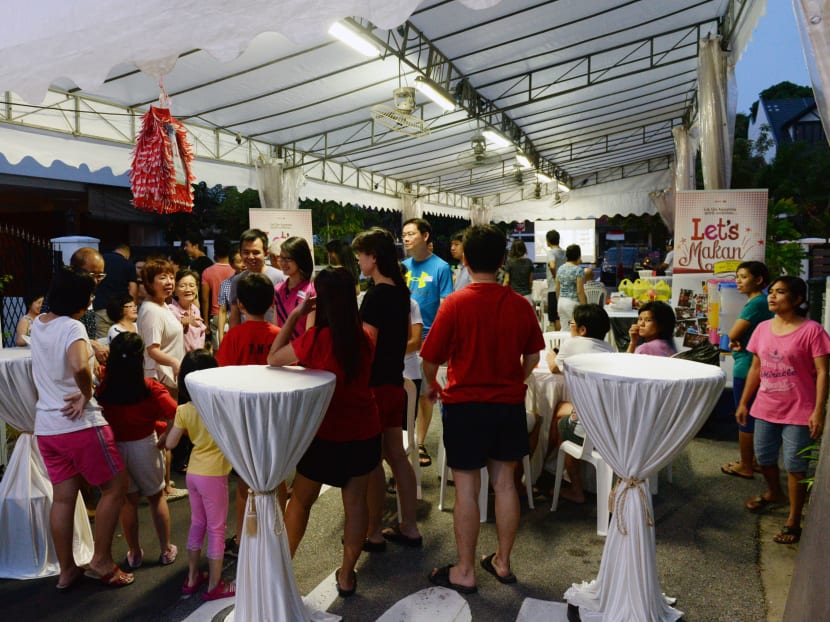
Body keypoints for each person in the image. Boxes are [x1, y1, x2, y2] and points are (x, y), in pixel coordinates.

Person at [421, 225, 544, 593]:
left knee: (467, 490)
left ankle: (465, 570)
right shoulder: (520, 304)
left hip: (464, 407)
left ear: (466, 260)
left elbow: (430, 359)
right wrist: (513, 380)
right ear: (504, 261)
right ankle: (502, 563)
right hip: (507, 406)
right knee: (506, 485)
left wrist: (432, 385)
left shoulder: (455, 304)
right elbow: (533, 356)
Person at [267, 267, 381, 598]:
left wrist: (297, 315)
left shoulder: (316, 339)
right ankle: (347, 576)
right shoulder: (364, 338)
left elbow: (274, 357)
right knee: (355, 504)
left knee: (300, 501)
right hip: (363, 431)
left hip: (324, 434)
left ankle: (282, 572)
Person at [31, 267, 133, 589]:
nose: (91, 300)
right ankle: (101, 560)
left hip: (47, 427)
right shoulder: (72, 326)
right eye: (89, 295)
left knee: (63, 499)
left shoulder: (38, 324)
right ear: (78, 297)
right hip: (79, 423)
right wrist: (87, 393)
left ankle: (67, 570)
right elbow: (78, 367)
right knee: (115, 488)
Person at [737, 276, 830, 545]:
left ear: (798, 299)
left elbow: (824, 372)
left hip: (800, 410)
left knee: (795, 465)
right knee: (764, 458)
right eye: (772, 292)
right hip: (766, 407)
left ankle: (793, 519)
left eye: (781, 293)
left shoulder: (812, 331)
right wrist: (744, 402)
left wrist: (818, 411)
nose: (772, 296)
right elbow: (756, 368)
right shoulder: (762, 328)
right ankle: (774, 493)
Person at [353, 227, 423, 552]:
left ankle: (373, 531)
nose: (358, 261)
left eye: (360, 255)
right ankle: (409, 525)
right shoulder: (401, 292)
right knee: (396, 454)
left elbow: (367, 346)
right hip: (395, 382)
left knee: (372, 460)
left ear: (374, 256)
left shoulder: (376, 295)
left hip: (375, 387)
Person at [95, 332, 178, 571]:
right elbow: (176, 414)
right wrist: (166, 438)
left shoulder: (104, 386)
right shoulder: (150, 387)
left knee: (127, 502)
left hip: (116, 448)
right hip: (145, 445)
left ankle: (134, 552)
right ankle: (165, 549)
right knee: (156, 497)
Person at [215, 272, 282, 558]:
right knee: (277, 475)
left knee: (246, 480)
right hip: (274, 418)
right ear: (271, 303)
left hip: (243, 419)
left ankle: (243, 539)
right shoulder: (279, 335)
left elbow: (223, 376)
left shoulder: (234, 336)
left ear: (240, 304)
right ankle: (279, 530)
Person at [166, 350, 236, 600]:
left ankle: (193, 577)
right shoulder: (221, 405)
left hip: (193, 473)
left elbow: (171, 443)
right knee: (217, 529)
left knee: (198, 524)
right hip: (214, 475)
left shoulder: (185, 409)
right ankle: (215, 586)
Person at [545, 304, 615, 502]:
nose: (570, 328)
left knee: (560, 423)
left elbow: (553, 369)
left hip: (587, 427)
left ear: (582, 330)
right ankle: (550, 463)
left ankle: (572, 485)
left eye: (572, 324)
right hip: (608, 423)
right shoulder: (610, 350)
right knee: (560, 408)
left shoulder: (573, 343)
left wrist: (552, 355)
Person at [402, 217, 453, 468]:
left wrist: (437, 341)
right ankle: (406, 440)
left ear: (425, 236)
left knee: (425, 395)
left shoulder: (441, 267)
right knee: (405, 393)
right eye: (404, 234)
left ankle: (420, 441)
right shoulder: (402, 266)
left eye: (411, 233)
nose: (406, 238)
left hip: (428, 338)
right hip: (405, 340)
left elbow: (445, 306)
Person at [721, 261, 773, 480]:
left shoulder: (756, 302)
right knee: (753, 414)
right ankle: (753, 461)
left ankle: (746, 466)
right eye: (737, 277)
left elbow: (733, 333)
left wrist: (733, 340)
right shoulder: (761, 302)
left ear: (758, 280)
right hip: (755, 364)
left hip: (747, 367)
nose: (738, 281)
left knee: (744, 415)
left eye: (743, 277)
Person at [137, 258, 185, 395]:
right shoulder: (151, 310)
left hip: (169, 375)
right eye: (163, 278)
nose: (169, 282)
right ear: (149, 282)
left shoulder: (162, 304)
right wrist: (174, 362)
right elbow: (152, 350)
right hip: (161, 377)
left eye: (171, 277)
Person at [229, 229, 285, 328]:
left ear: (266, 253)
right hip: (246, 338)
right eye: (246, 252)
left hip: (274, 339)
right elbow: (235, 315)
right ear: (240, 253)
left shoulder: (280, 278)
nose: (250, 257)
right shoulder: (237, 281)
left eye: (256, 252)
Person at [92, 243, 138, 339]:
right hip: (120, 310)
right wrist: (132, 307)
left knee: (103, 342)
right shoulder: (128, 264)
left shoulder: (100, 260)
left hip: (100, 306)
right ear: (127, 255)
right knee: (122, 341)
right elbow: (133, 291)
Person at [274, 236, 315, 340]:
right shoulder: (277, 290)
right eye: (281, 257)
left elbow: (309, 333)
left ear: (300, 259)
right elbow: (275, 326)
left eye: (288, 259)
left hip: (300, 352)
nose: (283, 263)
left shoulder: (312, 291)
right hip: (279, 351)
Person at [200, 236, 235, 351]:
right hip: (236, 315)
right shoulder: (237, 270)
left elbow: (205, 299)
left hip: (216, 315)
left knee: (219, 352)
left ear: (215, 251)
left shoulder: (207, 272)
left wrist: (205, 321)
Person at [169, 269, 207, 352]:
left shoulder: (195, 309)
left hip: (197, 359)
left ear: (197, 289)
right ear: (174, 290)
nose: (188, 289)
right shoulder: (170, 311)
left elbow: (201, 334)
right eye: (182, 286)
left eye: (192, 285)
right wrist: (185, 321)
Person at [216, 245, 245, 344]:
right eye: (239, 261)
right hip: (234, 331)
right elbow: (222, 311)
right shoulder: (226, 284)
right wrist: (220, 337)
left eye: (245, 260)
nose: (244, 265)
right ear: (231, 265)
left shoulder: (259, 281)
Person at [556, 244, 586, 327]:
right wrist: (585, 307)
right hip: (572, 305)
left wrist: (558, 301)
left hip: (561, 303)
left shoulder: (560, 268)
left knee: (565, 328)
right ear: (578, 256)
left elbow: (557, 288)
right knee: (575, 328)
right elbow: (580, 291)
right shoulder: (578, 270)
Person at [503, 239, 534, 305]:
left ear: (513, 250)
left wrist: (502, 293)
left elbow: (507, 280)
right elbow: (530, 281)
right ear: (524, 249)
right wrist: (530, 289)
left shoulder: (509, 262)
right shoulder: (529, 262)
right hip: (527, 296)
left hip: (513, 296)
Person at [546, 230, 566, 330]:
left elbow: (552, 266)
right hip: (564, 289)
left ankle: (558, 341)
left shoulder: (551, 253)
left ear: (548, 241)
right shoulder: (565, 253)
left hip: (553, 288)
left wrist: (555, 276)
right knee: (561, 316)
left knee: (555, 318)